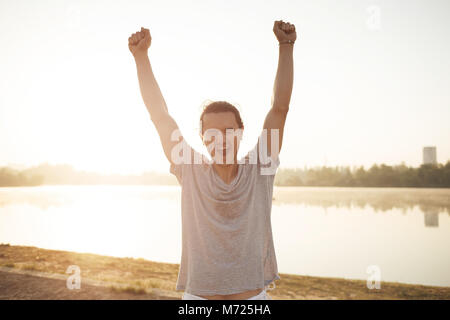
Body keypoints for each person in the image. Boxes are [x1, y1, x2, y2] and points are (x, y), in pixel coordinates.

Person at [128, 20, 296, 300]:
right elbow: (160, 115)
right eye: (213, 133)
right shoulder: (190, 169)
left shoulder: (260, 167)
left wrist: (286, 46)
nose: (222, 139)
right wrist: (141, 57)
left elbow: (280, 108)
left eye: (230, 131)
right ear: (202, 137)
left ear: (240, 133)